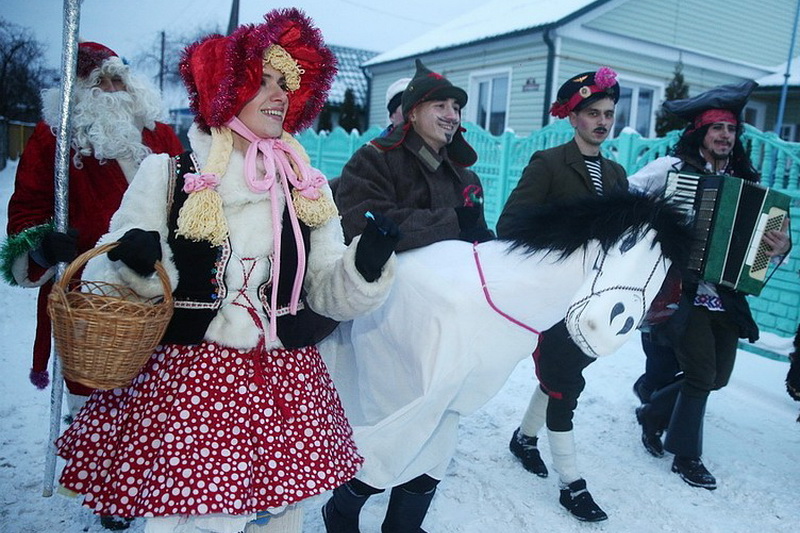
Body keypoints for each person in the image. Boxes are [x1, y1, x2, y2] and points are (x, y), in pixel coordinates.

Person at [53, 9, 399, 533]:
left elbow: (325, 291)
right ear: (225, 87)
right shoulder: (169, 173)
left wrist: (364, 267)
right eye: (262, 82)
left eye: (286, 84)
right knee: (197, 521)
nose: (280, 95)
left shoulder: (308, 184)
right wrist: (136, 262)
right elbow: (105, 271)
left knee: (286, 516)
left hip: (284, 378)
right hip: (191, 378)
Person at [325, 58, 493, 533]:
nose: (451, 113)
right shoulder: (374, 157)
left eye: (456, 106)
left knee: (441, 423)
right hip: (385, 321)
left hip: (448, 324)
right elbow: (361, 220)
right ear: (414, 111)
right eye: (439, 104)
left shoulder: (466, 176)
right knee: (389, 420)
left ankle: (403, 525)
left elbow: (474, 236)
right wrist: (450, 225)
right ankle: (342, 511)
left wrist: (489, 243)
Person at [1, 41, 184, 423]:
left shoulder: (160, 136)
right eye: (101, 82)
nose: (115, 90)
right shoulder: (53, 139)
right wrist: (42, 246)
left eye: (120, 78)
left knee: (158, 416)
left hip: (160, 292)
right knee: (96, 418)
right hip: (91, 300)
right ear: (79, 91)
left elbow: (187, 202)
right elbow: (27, 209)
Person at [629, 80, 791, 490]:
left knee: (718, 378)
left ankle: (652, 410)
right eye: (717, 127)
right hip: (681, 290)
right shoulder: (671, 170)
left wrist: (779, 245)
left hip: (726, 294)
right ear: (700, 132)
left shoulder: (747, 182)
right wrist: (656, 221)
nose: (725, 135)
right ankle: (686, 456)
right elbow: (626, 194)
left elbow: (766, 248)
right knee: (701, 374)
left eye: (731, 129)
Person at [496, 67, 627, 522]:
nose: (602, 121)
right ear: (573, 116)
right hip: (553, 298)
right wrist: (567, 240)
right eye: (592, 113)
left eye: (608, 114)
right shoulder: (548, 164)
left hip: (592, 302)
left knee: (559, 378)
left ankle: (524, 439)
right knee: (566, 386)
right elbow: (509, 226)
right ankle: (572, 485)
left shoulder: (616, 173)